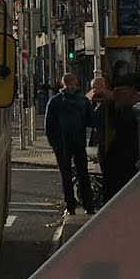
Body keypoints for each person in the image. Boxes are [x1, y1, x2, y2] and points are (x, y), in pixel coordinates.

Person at [45, 73, 96, 215]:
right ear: (76, 83)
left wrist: (53, 143)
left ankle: (71, 206)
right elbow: (91, 121)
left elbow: (49, 125)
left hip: (61, 143)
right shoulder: (83, 101)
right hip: (79, 141)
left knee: (66, 175)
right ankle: (89, 205)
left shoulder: (55, 101)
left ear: (62, 84)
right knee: (83, 173)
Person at [98, 71, 140, 200]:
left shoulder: (135, 116)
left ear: (132, 91)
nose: (115, 95)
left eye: (119, 91)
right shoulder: (123, 112)